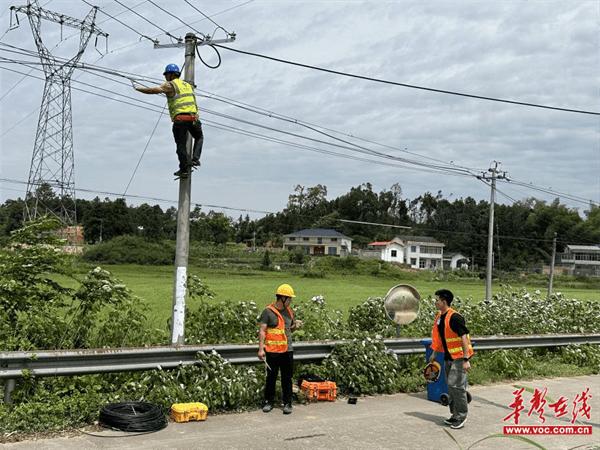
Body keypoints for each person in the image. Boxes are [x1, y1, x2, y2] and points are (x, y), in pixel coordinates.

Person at [134, 64, 204, 178]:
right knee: (199, 137)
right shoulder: (188, 85)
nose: (165, 77)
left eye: (166, 74)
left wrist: (138, 89)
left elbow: (153, 90)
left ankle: (184, 169)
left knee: (181, 145)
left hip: (181, 120)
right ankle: (195, 159)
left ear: (171, 75)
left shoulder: (170, 85)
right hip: (194, 119)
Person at [429, 289, 474, 429]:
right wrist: (434, 353)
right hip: (449, 356)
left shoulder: (455, 317)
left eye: (437, 300)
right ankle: (454, 415)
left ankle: (461, 416)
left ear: (444, 302)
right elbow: (440, 337)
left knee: (456, 386)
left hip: (460, 357)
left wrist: (466, 359)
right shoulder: (440, 317)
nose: (435, 302)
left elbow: (464, 338)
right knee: (451, 386)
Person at [258, 283, 303, 415]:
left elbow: (289, 329)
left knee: (287, 378)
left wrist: (296, 326)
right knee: (271, 378)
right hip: (272, 351)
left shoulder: (290, 311)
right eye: (289, 298)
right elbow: (262, 331)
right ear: (282, 298)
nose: (291, 301)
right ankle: (268, 402)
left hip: (287, 350)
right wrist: (261, 349)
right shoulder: (268, 312)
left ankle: (288, 403)